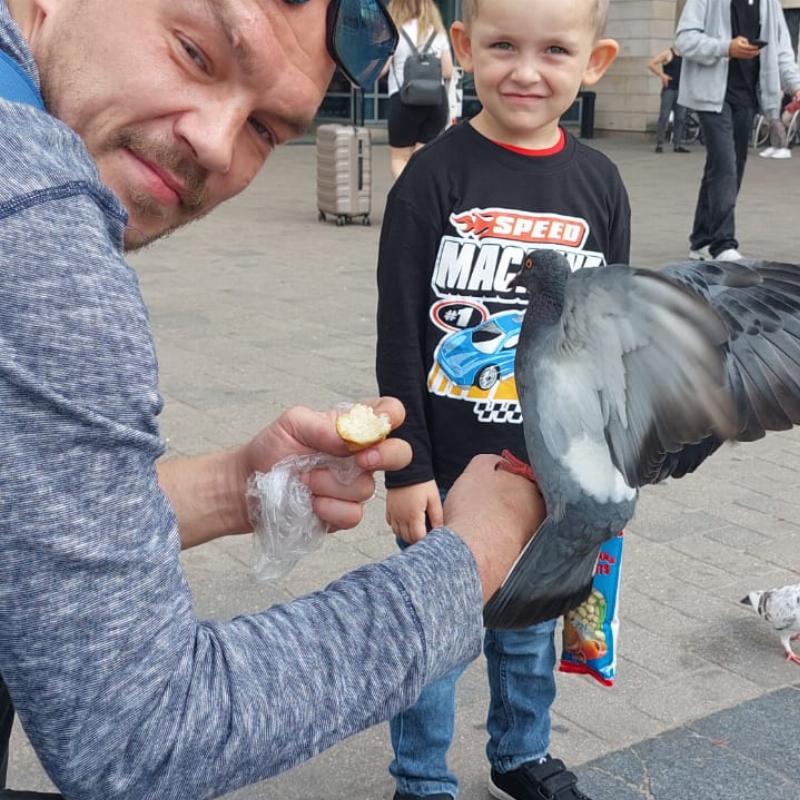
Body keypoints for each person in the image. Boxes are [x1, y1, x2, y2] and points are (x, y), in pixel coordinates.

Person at [0, 1, 546, 798]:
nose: (216, 144)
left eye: (264, 128)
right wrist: (480, 551)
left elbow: (28, 525)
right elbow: (143, 739)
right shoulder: (39, 243)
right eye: (195, 52)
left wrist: (234, 488)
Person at [375, 1, 627, 799]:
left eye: (554, 50)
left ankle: (521, 754)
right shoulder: (432, 177)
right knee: (435, 636)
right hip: (446, 470)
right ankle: (421, 778)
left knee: (529, 627)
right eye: (503, 45)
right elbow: (399, 333)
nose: (526, 70)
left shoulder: (600, 183)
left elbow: (610, 340)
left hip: (549, 471)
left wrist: (608, 466)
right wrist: (407, 468)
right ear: (465, 46)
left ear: (595, 62)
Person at [675, 0, 800, 261]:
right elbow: (684, 41)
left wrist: (795, 85)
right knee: (725, 166)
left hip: (747, 97)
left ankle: (701, 240)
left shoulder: (769, 4)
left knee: (727, 168)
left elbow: (782, 51)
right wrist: (725, 48)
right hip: (712, 96)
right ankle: (722, 244)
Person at [384, 0, 454, 179]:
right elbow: (448, 71)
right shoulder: (438, 32)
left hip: (404, 100)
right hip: (436, 102)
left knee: (400, 158)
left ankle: (408, 194)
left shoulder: (393, 32)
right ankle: (421, 194)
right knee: (422, 160)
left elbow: (381, 69)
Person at [648, 46, 691, 153]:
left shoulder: (686, 55)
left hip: (681, 90)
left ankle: (677, 144)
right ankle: (660, 143)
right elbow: (651, 63)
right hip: (669, 89)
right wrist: (662, 75)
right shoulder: (668, 53)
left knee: (680, 118)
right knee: (664, 116)